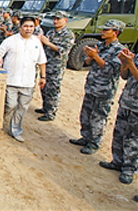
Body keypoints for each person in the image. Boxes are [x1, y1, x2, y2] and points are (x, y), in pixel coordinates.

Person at [70, 20, 126, 154]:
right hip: (92, 86)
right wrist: (90, 57)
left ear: (116, 32)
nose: (103, 31)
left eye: (107, 30)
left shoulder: (119, 50)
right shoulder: (100, 45)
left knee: (98, 117)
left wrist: (96, 56)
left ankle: (95, 143)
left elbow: (111, 70)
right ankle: (86, 137)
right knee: (86, 114)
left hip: (104, 90)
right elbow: (87, 63)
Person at [0, 16, 47, 142]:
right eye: (26, 26)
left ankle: (16, 130)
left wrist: (43, 76)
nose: (28, 29)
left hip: (28, 82)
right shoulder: (11, 40)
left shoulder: (36, 42)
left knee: (22, 107)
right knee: (10, 104)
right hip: (11, 80)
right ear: (20, 27)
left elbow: (42, 61)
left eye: (31, 26)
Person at [99, 47, 138, 184]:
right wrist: (125, 63)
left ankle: (129, 169)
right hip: (127, 102)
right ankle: (117, 162)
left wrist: (131, 63)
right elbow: (125, 76)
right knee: (119, 134)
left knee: (133, 140)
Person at [36, 11, 75, 121]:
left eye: (58, 19)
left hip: (57, 66)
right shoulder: (51, 32)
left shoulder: (68, 35)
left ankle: (51, 113)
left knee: (53, 89)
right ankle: (45, 107)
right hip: (46, 64)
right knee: (44, 87)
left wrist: (48, 43)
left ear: (66, 21)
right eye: (55, 19)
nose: (55, 21)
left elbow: (64, 50)